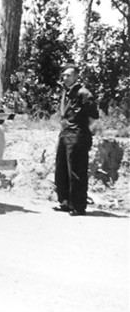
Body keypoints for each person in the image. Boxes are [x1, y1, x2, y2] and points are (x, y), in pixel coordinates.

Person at [54, 64, 99, 216]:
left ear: (76, 77)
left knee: (77, 171)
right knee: (61, 170)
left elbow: (94, 118)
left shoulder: (83, 93)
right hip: (65, 134)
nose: (65, 78)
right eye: (64, 75)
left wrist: (83, 134)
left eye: (68, 75)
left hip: (77, 136)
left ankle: (78, 206)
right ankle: (65, 201)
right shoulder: (66, 93)